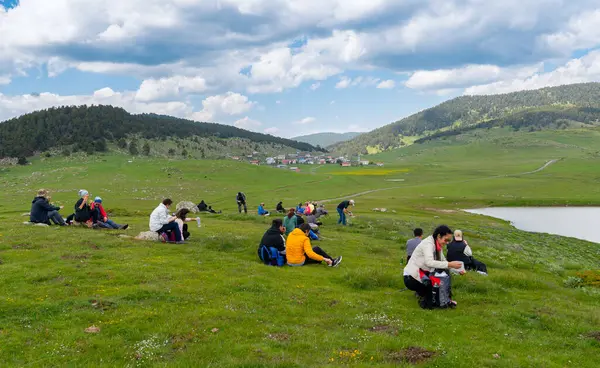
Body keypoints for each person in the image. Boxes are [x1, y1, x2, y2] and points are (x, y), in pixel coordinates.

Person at [403, 225, 463, 309]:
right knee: (430, 304)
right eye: (446, 240)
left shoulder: (437, 245)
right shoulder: (428, 244)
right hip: (411, 277)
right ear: (439, 236)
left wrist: (457, 269)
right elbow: (429, 262)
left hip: (423, 275)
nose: (447, 243)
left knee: (443, 277)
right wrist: (449, 264)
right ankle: (425, 297)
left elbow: (443, 261)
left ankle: (444, 299)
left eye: (449, 240)